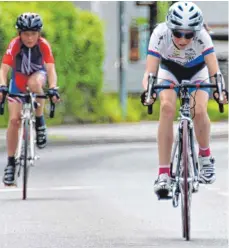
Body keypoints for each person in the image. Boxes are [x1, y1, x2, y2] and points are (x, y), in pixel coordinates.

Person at [141, 2, 228, 198]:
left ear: (196, 32)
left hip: (198, 71)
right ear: (169, 28)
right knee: (166, 108)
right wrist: (149, 91)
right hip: (170, 70)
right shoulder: (159, 34)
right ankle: (163, 174)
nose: (182, 39)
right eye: (178, 33)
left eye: (189, 34)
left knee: (199, 111)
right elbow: (150, 72)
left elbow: (215, 73)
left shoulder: (203, 37)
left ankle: (205, 156)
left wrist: (220, 92)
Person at [0, 12, 60, 186]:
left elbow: (50, 70)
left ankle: (40, 121)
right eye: (26, 33)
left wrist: (54, 87)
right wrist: (2, 87)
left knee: (35, 84)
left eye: (33, 33)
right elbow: (3, 70)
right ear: (19, 33)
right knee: (13, 121)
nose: (29, 38)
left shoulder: (43, 45)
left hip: (37, 76)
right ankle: (11, 163)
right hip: (17, 81)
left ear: (39, 33)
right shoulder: (14, 44)